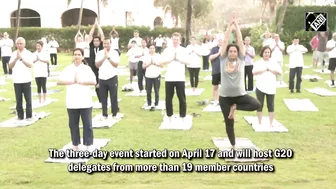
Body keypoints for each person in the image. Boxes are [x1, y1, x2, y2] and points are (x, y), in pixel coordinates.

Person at [218, 13, 260, 149]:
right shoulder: (223, 59)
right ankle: (233, 145)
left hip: (240, 96)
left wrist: (237, 26)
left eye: (234, 52)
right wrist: (229, 26)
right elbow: (225, 41)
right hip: (224, 97)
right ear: (227, 53)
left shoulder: (241, 60)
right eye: (230, 51)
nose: (232, 53)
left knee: (256, 104)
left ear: (238, 53)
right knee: (228, 122)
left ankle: (235, 107)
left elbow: (240, 42)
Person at [57, 48, 96, 151]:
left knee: (87, 124)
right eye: (75, 54)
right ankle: (75, 144)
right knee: (73, 124)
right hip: (72, 101)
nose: (77, 56)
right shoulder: (68, 69)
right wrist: (71, 81)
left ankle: (88, 144)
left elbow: (94, 82)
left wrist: (81, 81)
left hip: (85, 101)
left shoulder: (87, 69)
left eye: (79, 54)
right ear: (73, 56)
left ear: (82, 57)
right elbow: (59, 81)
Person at [160, 32, 190, 122]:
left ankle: (183, 116)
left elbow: (189, 62)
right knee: (169, 98)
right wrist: (171, 59)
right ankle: (169, 115)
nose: (175, 41)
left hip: (180, 77)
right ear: (171, 40)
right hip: (169, 77)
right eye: (174, 40)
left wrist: (179, 59)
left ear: (180, 41)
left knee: (182, 98)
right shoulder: (167, 50)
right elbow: (161, 61)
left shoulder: (183, 50)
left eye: (177, 40)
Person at [252, 46, 282, 127]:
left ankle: (271, 123)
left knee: (271, 105)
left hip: (271, 87)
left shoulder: (273, 62)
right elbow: (254, 72)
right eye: (265, 52)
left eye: (268, 52)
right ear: (262, 53)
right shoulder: (259, 62)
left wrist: (270, 69)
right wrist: (264, 69)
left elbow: (279, 72)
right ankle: (259, 122)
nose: (267, 54)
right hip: (260, 86)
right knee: (259, 105)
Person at [8, 37, 34, 120]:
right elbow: (10, 66)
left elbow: (30, 65)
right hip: (17, 80)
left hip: (26, 79)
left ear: (24, 44)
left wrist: (21, 59)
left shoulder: (28, 53)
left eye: (21, 43)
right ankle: (20, 116)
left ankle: (29, 115)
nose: (19, 45)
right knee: (18, 100)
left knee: (28, 100)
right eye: (18, 44)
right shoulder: (13, 54)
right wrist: (16, 58)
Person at [95, 38, 120, 120]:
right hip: (102, 77)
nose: (106, 45)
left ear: (110, 44)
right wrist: (104, 57)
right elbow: (97, 65)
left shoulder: (115, 52)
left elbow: (116, 64)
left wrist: (108, 58)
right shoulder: (99, 53)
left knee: (114, 96)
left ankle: (114, 113)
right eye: (105, 43)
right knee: (103, 97)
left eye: (108, 43)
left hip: (112, 77)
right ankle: (104, 114)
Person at [88, 22, 105, 104]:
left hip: (101, 67)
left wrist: (98, 25)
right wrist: (93, 26)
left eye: (97, 41)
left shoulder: (102, 47)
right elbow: (90, 35)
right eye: (94, 41)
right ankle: (100, 100)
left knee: (102, 84)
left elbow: (102, 35)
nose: (95, 42)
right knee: (96, 85)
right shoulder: (91, 46)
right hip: (93, 68)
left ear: (99, 42)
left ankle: (104, 99)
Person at [143, 45, 162, 111]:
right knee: (148, 91)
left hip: (156, 75)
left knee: (156, 90)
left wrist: (154, 63)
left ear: (155, 49)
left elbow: (161, 65)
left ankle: (156, 103)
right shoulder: (146, 56)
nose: (152, 49)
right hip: (148, 76)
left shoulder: (158, 56)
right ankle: (149, 103)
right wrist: (149, 63)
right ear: (149, 49)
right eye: (150, 48)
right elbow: (143, 66)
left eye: (153, 48)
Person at [209, 38, 223, 105]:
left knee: (224, 87)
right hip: (216, 70)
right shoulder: (214, 49)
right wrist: (219, 53)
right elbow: (210, 58)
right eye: (220, 41)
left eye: (222, 41)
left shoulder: (226, 48)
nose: (221, 42)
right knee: (215, 86)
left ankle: (223, 100)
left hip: (224, 71)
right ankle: (215, 100)